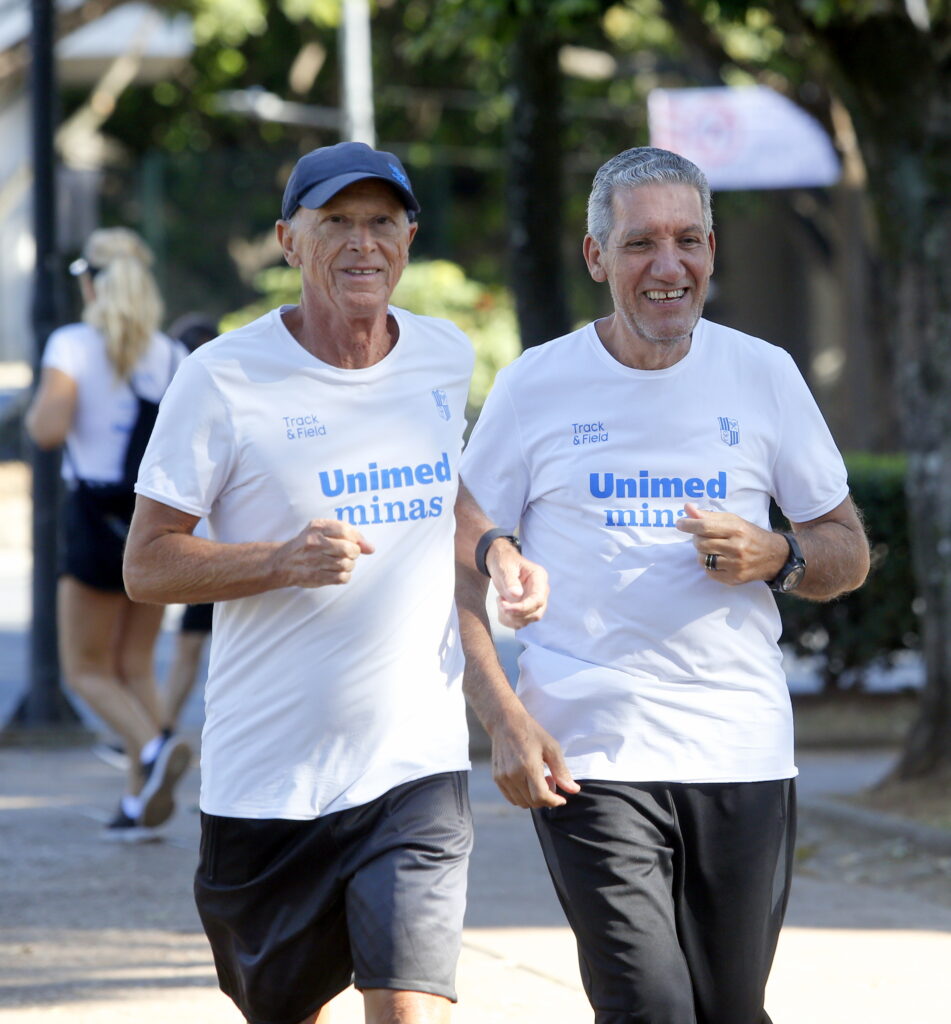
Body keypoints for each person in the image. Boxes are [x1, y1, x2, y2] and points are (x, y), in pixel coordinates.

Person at [122, 141, 548, 1024]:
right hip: (268, 783)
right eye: (336, 223)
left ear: (409, 237)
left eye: (382, 222)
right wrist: (278, 560)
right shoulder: (221, 379)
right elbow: (147, 562)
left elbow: (450, 498)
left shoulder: (441, 354)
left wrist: (495, 550)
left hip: (413, 770)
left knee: (408, 1006)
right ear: (289, 239)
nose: (363, 244)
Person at [455, 146, 871, 1024]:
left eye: (687, 240)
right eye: (640, 243)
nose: (667, 265)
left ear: (712, 251)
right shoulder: (536, 384)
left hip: (740, 745)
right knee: (646, 1006)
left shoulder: (763, 375)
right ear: (595, 256)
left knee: (729, 1009)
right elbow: (460, 554)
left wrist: (778, 557)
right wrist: (502, 717)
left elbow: (847, 549)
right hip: (587, 748)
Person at [25, 227, 191, 842]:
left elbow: (48, 428)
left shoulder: (72, 342)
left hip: (94, 517)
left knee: (87, 669)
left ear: (89, 282)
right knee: (134, 664)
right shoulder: (170, 353)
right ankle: (137, 805)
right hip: (150, 516)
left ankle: (152, 750)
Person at [157, 314, 219, 738]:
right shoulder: (228, 390)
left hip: (210, 554)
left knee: (188, 649)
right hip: (228, 547)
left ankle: (159, 732)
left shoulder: (185, 400)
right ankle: (157, 731)